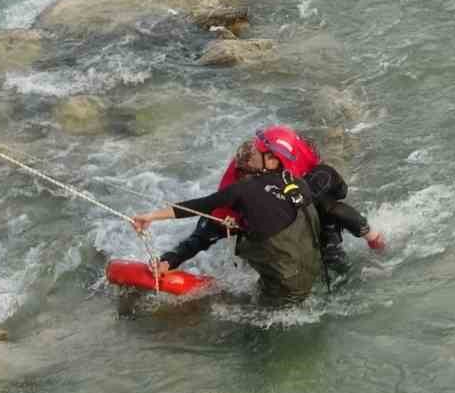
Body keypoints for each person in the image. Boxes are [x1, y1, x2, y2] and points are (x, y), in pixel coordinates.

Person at [133, 126, 384, 303]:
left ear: (273, 162)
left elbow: (336, 204)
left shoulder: (306, 173)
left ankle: (336, 256)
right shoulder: (235, 189)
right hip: (274, 239)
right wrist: (169, 260)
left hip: (309, 193)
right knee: (215, 229)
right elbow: (202, 220)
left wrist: (371, 237)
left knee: (326, 223)